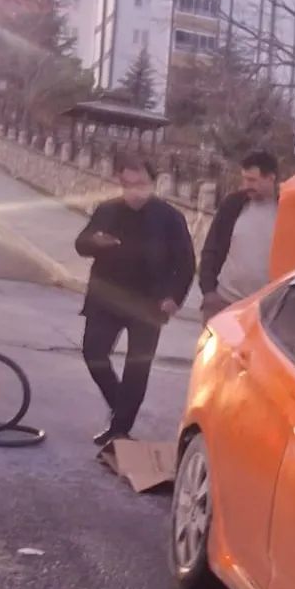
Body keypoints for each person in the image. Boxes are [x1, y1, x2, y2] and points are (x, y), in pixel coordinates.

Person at [75, 154, 196, 447]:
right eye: (127, 184)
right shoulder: (107, 210)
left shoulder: (169, 218)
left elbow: (187, 262)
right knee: (93, 352)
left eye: (140, 183)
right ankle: (120, 405)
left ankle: (119, 429)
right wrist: (95, 242)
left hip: (149, 303)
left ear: (152, 183)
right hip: (107, 297)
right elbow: (81, 244)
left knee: (137, 366)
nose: (134, 190)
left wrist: (174, 298)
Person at [198, 150, 280, 319]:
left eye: (252, 180)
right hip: (223, 302)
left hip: (265, 309)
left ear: (271, 178)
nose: (246, 185)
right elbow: (211, 248)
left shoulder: (285, 210)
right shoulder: (233, 204)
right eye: (244, 179)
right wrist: (208, 291)